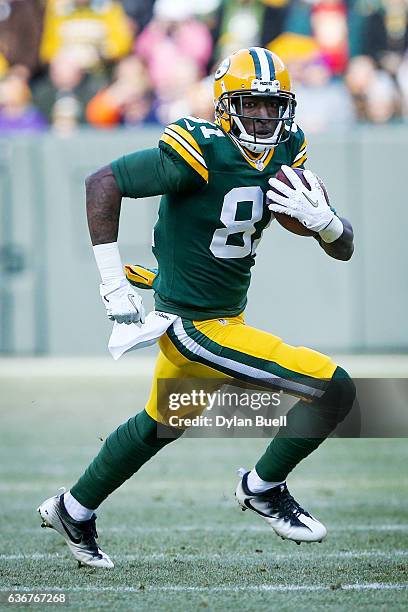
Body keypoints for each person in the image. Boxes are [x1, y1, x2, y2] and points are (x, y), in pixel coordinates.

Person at [37, 47, 355, 568]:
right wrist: (113, 280)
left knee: (158, 425)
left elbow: (342, 248)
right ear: (226, 105)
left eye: (273, 107)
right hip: (193, 325)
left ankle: (74, 508)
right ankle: (263, 487)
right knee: (334, 388)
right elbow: (103, 182)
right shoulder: (200, 149)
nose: (263, 117)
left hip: (225, 317)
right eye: (251, 105)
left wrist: (327, 224)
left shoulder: (287, 149)